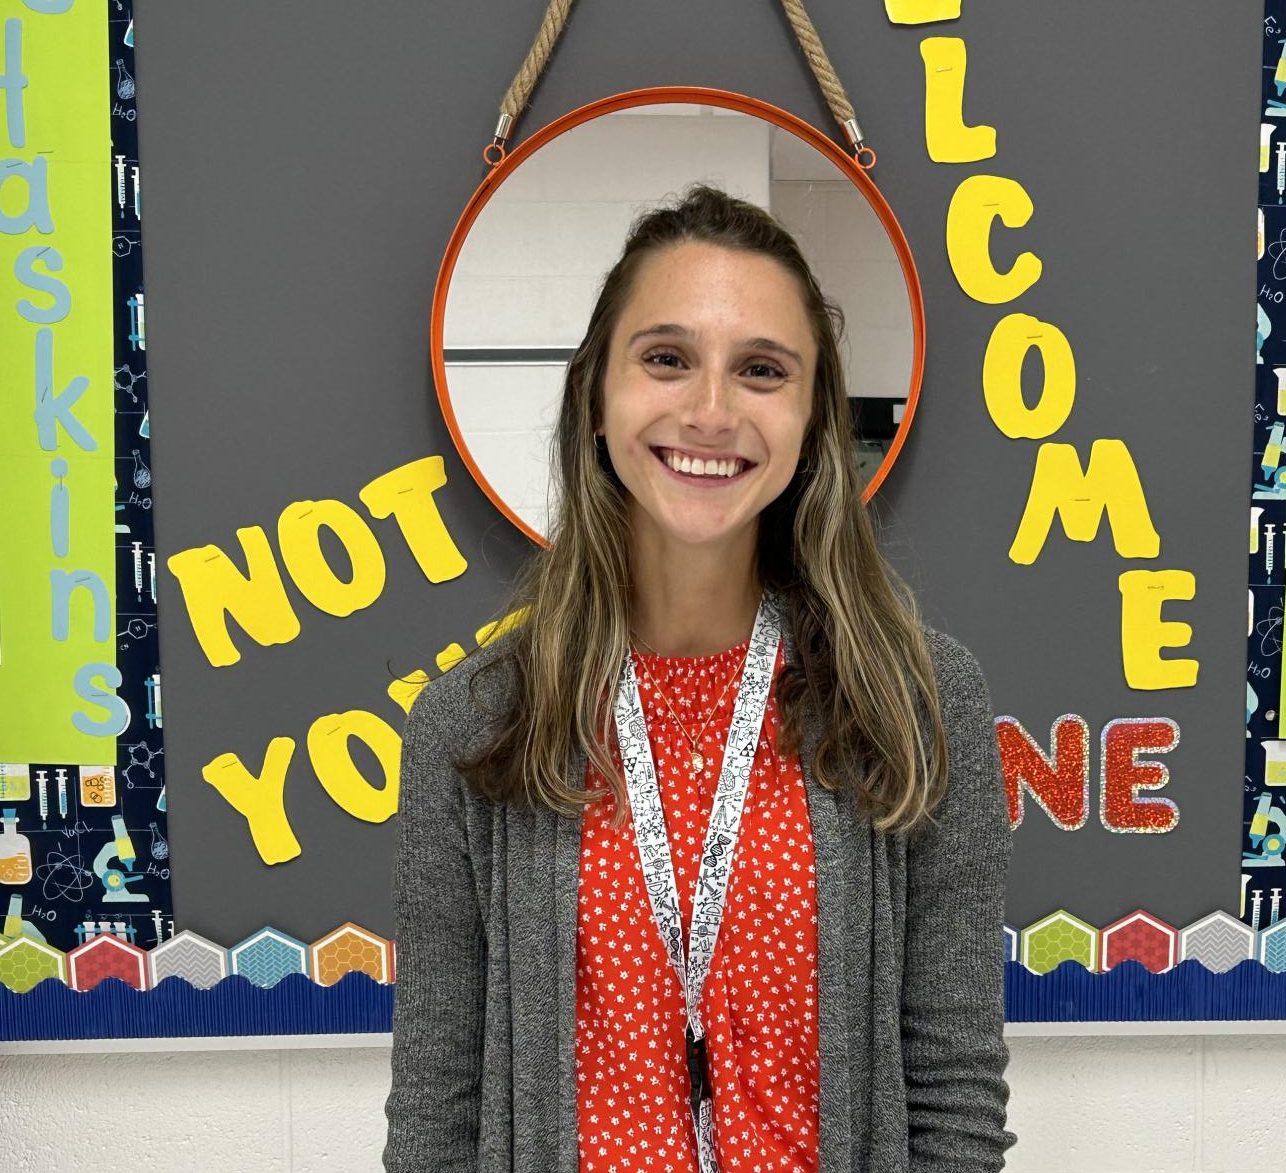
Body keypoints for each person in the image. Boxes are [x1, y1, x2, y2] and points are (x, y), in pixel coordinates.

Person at [383, 183, 1015, 1171]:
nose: (710, 411)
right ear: (598, 395)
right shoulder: (476, 724)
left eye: (762, 370)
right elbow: (435, 1109)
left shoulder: (916, 699)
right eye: (667, 359)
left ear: (812, 423)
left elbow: (954, 1085)